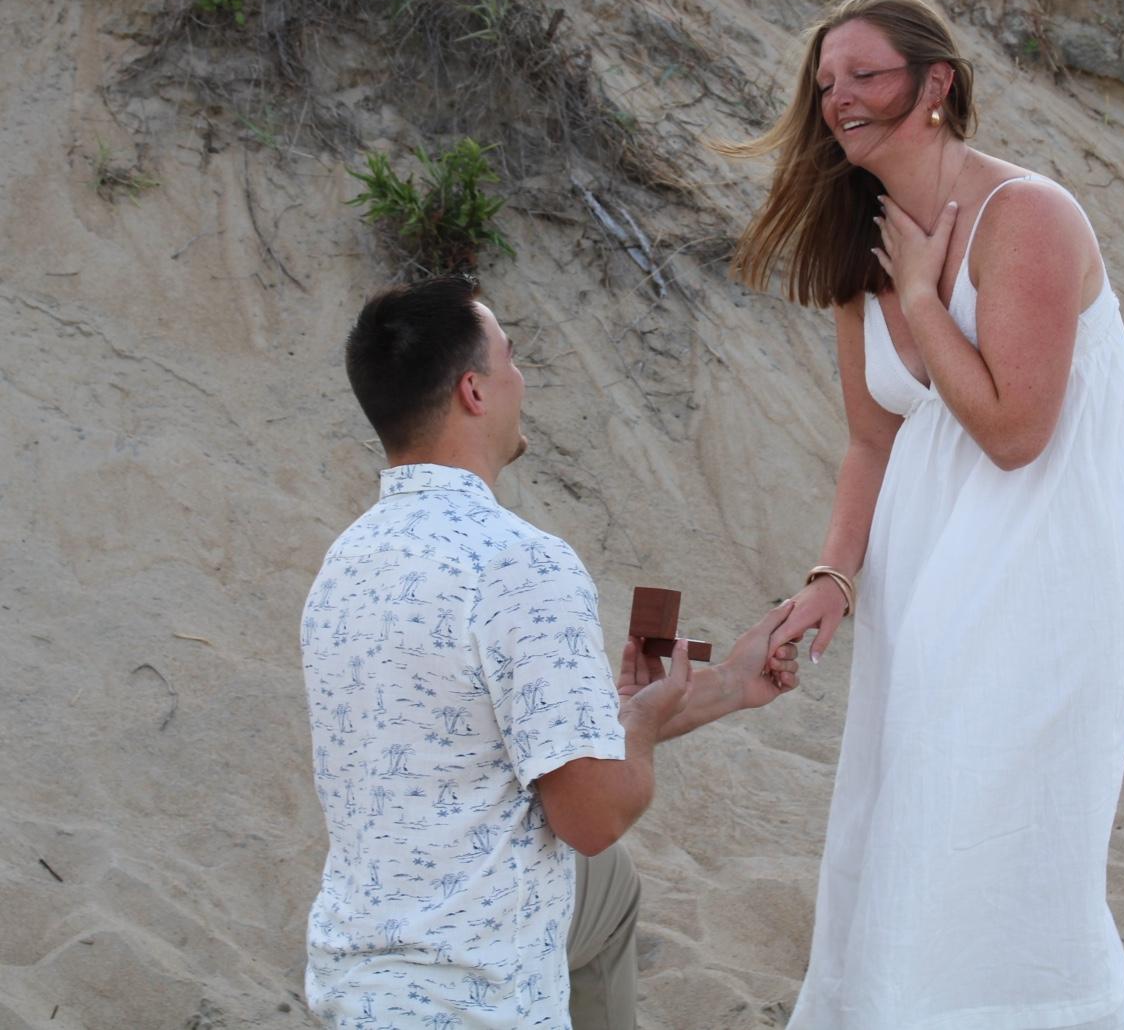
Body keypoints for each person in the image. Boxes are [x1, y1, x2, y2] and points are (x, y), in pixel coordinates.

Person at [729, 0, 1124, 1028]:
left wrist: (921, 297)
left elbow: (1015, 431)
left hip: (1044, 557)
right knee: (903, 807)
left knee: (995, 814)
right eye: (825, 83)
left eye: (864, 75)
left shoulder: (1029, 216)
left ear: (935, 85)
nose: (838, 99)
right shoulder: (859, 244)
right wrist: (832, 577)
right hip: (926, 560)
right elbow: (871, 438)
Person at [300, 273, 799, 1029]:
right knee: (603, 856)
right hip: (474, 995)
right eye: (510, 357)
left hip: (355, 973)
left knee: (607, 885)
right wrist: (635, 729)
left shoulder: (343, 564)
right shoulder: (522, 563)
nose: (522, 378)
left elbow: (483, 747)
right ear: (474, 391)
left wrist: (727, 682)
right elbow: (592, 816)